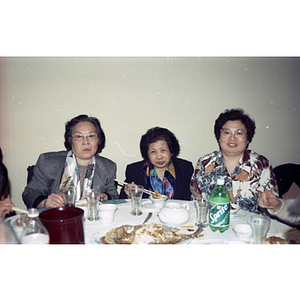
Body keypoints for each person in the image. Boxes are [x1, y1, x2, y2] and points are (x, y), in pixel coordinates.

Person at [190, 108, 278, 215]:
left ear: (248, 139)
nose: (232, 138)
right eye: (227, 132)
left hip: (250, 226)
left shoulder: (260, 163)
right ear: (219, 137)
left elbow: (272, 205)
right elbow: (196, 200)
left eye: (239, 133)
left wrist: (267, 202)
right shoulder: (205, 162)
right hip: (214, 223)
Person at [22, 114, 119, 208]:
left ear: (98, 140)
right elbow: (29, 193)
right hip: (57, 218)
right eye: (79, 136)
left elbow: (114, 197)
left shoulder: (108, 166)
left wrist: (105, 197)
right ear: (70, 140)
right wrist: (44, 203)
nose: (86, 142)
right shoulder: (48, 161)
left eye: (91, 136)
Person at [119, 127, 194, 200]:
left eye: (163, 150)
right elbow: (122, 201)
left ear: (171, 151)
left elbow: (187, 199)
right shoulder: (134, 170)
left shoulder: (184, 168)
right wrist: (130, 195)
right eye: (153, 152)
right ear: (147, 154)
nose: (159, 156)